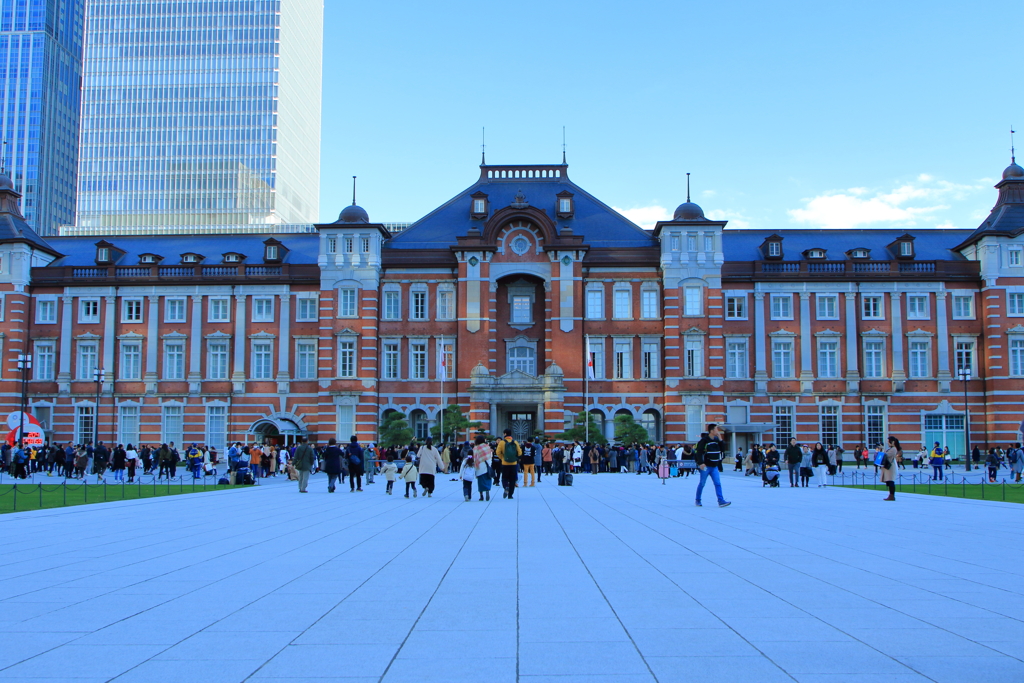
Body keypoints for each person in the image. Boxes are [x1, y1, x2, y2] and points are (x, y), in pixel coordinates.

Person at [694, 423, 731, 507]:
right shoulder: (704, 440)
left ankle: (721, 500)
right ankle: (698, 499)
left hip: (714, 466)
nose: (718, 431)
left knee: (717, 483)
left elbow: (722, 449)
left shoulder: (716, 440)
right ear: (712, 431)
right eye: (716, 429)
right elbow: (699, 452)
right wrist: (701, 463)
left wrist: (720, 439)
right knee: (702, 483)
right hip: (706, 466)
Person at [496, 429, 522, 500]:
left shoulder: (501, 442)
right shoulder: (515, 442)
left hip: (505, 463)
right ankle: (510, 495)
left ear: (505, 434)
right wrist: (515, 458)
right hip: (513, 463)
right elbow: (520, 453)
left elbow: (498, 452)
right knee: (512, 479)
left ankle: (506, 486)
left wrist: (503, 458)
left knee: (504, 477)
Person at [882, 436, 902, 501]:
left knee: (891, 481)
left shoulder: (894, 449)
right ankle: (890, 495)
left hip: (890, 467)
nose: (888, 443)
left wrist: (882, 451)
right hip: (888, 467)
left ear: (892, 442)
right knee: (889, 481)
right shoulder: (890, 449)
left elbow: (886, 455)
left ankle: (892, 496)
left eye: (888, 441)